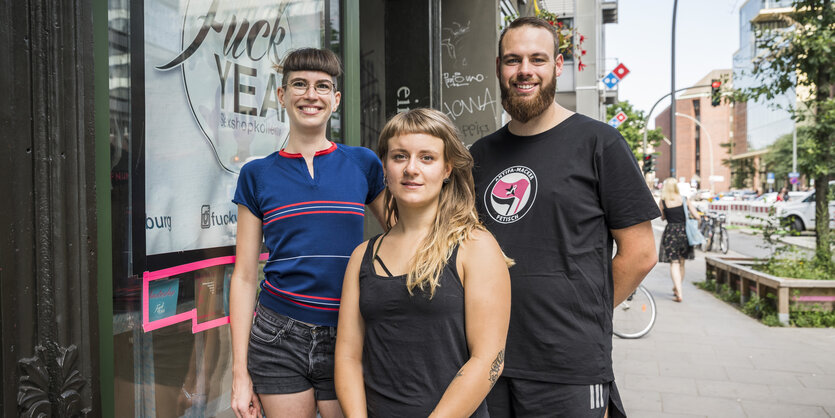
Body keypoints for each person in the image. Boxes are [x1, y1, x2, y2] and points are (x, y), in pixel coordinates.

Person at [469, 16, 660, 417]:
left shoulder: (600, 143)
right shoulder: (479, 156)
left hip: (567, 364)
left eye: (537, 59)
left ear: (558, 66)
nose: (524, 71)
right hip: (485, 359)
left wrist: (583, 313)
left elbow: (640, 253)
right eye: (512, 60)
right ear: (499, 68)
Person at [229, 48, 386, 418]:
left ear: (336, 99)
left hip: (348, 332)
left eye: (322, 86)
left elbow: (404, 236)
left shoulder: (363, 164)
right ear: (282, 96)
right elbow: (245, 276)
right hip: (276, 336)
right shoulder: (256, 175)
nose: (310, 94)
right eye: (299, 84)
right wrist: (239, 374)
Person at [334, 108, 512, 417]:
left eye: (427, 158)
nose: (411, 169)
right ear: (385, 169)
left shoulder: (475, 246)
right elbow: (348, 357)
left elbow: (488, 360)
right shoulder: (362, 256)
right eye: (399, 156)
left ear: (447, 169)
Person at [657, 178, 700, 302]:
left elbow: (662, 217)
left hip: (670, 233)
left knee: (674, 263)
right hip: (684, 233)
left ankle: (678, 290)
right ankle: (678, 288)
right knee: (682, 263)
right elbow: (696, 216)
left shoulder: (663, 201)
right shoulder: (684, 199)